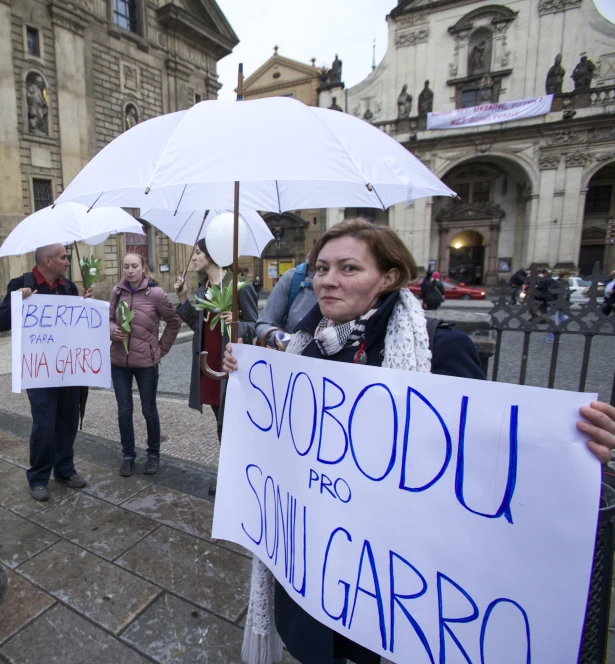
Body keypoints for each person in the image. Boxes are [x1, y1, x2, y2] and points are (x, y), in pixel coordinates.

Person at [224, 219, 615, 664]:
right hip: (314, 568)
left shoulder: (439, 348)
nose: (328, 280)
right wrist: (251, 380)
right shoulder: (303, 347)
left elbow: (486, 459)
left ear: (389, 277)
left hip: (391, 581)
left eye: (349, 268)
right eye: (322, 268)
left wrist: (571, 452)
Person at [0, 243, 92, 501]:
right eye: (64, 258)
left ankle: (64, 470)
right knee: (44, 424)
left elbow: (77, 324)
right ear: (48, 261)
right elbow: (2, 321)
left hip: (68, 369)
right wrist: (17, 300)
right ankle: (39, 477)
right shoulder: (21, 282)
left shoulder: (69, 287)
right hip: (39, 371)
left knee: (69, 420)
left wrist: (86, 305)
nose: (68, 262)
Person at [174, 239, 258, 493]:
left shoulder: (239, 287)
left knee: (230, 424)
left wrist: (237, 323)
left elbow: (256, 327)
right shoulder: (204, 289)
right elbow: (198, 328)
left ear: (212, 256)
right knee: (222, 423)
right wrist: (183, 299)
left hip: (231, 368)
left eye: (198, 253)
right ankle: (233, 473)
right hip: (208, 368)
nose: (194, 258)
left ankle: (235, 476)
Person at [109, 253, 181, 477]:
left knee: (149, 410)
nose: (130, 270)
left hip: (146, 364)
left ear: (143, 268)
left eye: (134, 266)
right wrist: (113, 331)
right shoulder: (117, 292)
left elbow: (174, 322)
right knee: (124, 411)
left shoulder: (156, 294)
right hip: (120, 362)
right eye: (126, 266)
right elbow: (109, 318)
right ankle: (128, 456)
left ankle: (153, 454)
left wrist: (160, 349)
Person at [256, 262, 317, 348]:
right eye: (323, 269)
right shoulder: (294, 278)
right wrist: (279, 337)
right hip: (292, 358)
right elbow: (263, 324)